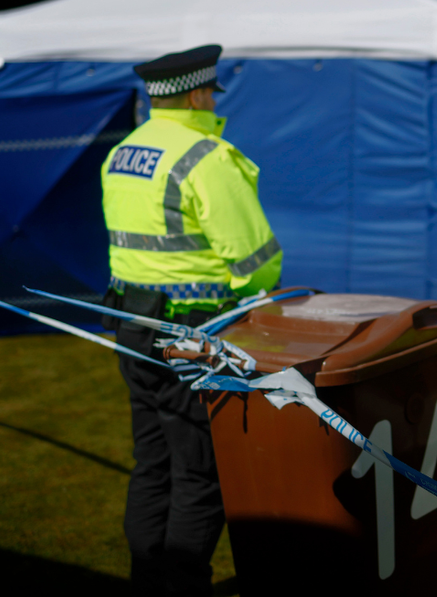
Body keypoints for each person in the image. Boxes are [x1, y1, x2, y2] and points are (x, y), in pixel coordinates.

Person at [101, 44, 282, 595]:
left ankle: (147, 578)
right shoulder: (208, 157)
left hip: (132, 328)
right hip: (192, 337)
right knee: (201, 474)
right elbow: (255, 261)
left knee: (152, 463)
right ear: (199, 93)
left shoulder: (123, 153)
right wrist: (256, 294)